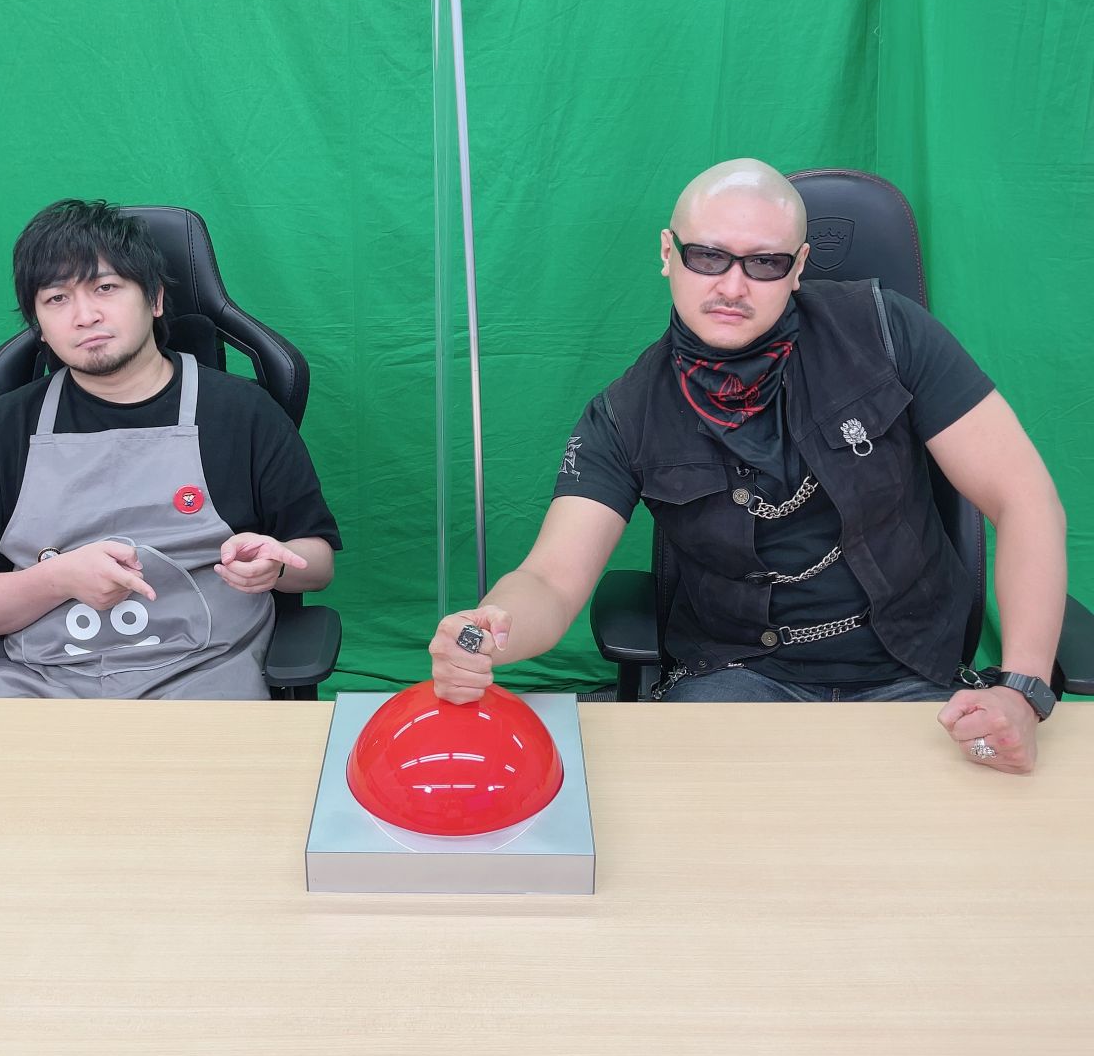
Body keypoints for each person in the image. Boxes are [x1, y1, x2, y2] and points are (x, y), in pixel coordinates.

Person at [430, 159, 1066, 774]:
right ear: (668, 253)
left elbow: (1024, 497)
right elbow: (550, 579)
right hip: (734, 680)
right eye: (708, 257)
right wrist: (492, 628)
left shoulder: (890, 332)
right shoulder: (624, 415)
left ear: (799, 268)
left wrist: (1022, 688)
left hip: (916, 678)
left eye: (764, 263)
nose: (732, 288)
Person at [0, 199, 341, 699]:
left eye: (105, 288)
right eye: (56, 298)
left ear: (154, 299)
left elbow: (318, 562)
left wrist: (275, 565)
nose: (85, 315)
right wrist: (59, 578)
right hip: (35, 683)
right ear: (39, 325)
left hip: (203, 677)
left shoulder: (243, 414)